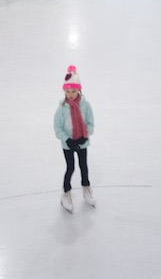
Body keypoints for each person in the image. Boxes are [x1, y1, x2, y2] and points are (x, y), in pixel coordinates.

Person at [53, 65, 94, 212]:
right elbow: (57, 128)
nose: (70, 94)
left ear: (79, 90)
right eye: (67, 91)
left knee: (84, 167)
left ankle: (86, 189)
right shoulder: (62, 108)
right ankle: (66, 193)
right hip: (68, 144)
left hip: (82, 142)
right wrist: (68, 140)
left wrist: (85, 136)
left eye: (73, 91)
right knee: (70, 168)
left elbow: (90, 123)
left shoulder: (85, 105)